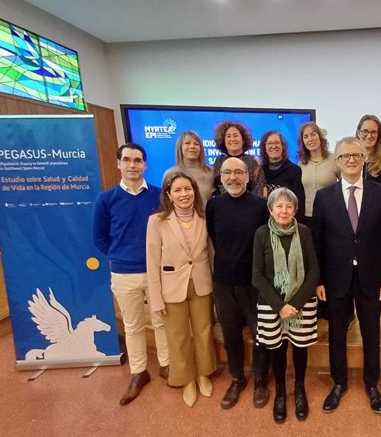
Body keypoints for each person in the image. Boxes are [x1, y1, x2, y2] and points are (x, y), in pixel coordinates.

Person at [313, 137, 381, 414]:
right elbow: (318, 243)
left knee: (371, 332)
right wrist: (319, 281)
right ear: (337, 162)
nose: (351, 159)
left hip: (372, 278)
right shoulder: (324, 198)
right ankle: (339, 383)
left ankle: (372, 384)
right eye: (345, 156)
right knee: (337, 333)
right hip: (336, 279)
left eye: (356, 155)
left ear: (364, 159)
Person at [92, 143, 169, 406]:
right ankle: (139, 373)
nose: (133, 165)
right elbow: (100, 238)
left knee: (160, 321)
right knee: (134, 325)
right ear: (119, 164)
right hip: (124, 274)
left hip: (156, 272)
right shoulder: (106, 199)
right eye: (127, 160)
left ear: (145, 165)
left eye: (138, 161)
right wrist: (120, 256)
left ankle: (166, 365)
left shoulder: (159, 196)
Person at [146, 172, 217, 407]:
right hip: (171, 287)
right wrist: (155, 299)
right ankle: (186, 379)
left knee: (203, 332)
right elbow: (152, 262)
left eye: (188, 189)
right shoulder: (156, 222)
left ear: (194, 191)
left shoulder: (205, 218)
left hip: (201, 283)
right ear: (168, 194)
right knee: (177, 336)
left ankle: (203, 374)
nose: (183, 194)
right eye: (177, 190)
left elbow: (211, 254)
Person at [206, 157, 271, 410]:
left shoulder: (261, 205)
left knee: (260, 335)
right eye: (227, 173)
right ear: (221, 177)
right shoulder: (213, 207)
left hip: (253, 284)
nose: (233, 177)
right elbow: (214, 236)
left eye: (238, 172)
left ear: (247, 176)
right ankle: (237, 379)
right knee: (231, 335)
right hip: (223, 282)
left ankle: (261, 381)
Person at [252, 188, 320, 424]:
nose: (284, 210)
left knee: (300, 347)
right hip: (272, 304)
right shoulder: (261, 234)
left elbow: (314, 271)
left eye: (289, 206)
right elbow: (257, 276)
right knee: (277, 348)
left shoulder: (304, 232)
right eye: (279, 206)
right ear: (271, 210)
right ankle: (281, 390)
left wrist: (296, 303)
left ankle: (299, 389)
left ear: (295, 210)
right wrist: (280, 306)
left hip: (302, 303)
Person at [298, 121, 340, 224]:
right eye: (306, 136)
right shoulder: (301, 164)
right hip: (308, 217)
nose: (310, 139)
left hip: (331, 215)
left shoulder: (335, 160)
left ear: (320, 137)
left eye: (313, 134)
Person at [261, 130, 306, 222]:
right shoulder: (260, 171)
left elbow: (299, 203)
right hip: (265, 224)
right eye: (269, 143)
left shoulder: (294, 170)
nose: (273, 146)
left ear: (283, 146)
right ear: (264, 147)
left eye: (277, 142)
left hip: (288, 223)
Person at [212, 121, 266, 196]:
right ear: (223, 141)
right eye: (228, 136)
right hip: (222, 205)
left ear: (243, 140)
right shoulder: (219, 160)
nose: (232, 139)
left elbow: (259, 189)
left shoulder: (253, 161)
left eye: (235, 135)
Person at [163, 130, 215, 202]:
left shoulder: (211, 172)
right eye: (187, 143)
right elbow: (165, 203)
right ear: (180, 147)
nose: (192, 146)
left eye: (196, 144)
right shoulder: (170, 174)